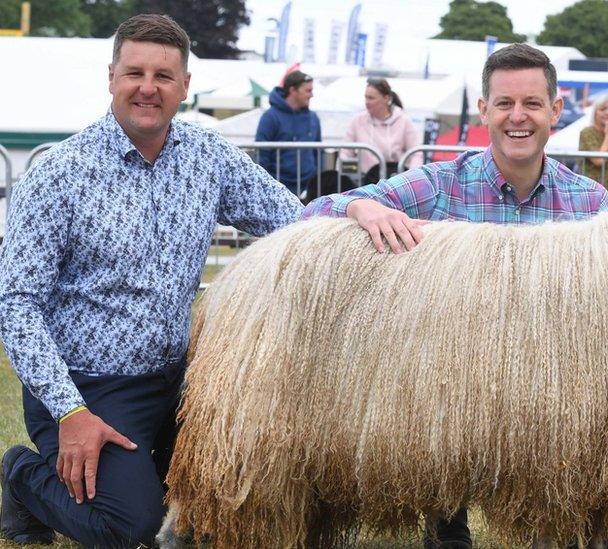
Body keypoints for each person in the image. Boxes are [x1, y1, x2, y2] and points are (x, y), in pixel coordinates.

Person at [0, 14, 302, 548]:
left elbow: (294, 218)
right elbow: (16, 305)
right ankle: (21, 475)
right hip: (87, 388)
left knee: (232, 506)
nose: (147, 87)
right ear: (111, 77)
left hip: (177, 381)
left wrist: (365, 211)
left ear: (185, 86)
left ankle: (138, 475)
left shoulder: (207, 157)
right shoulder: (59, 173)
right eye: (134, 72)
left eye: (164, 76)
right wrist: (69, 412)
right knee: (130, 527)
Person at [304, 43, 608, 546]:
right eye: (505, 104)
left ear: (556, 112)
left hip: (547, 383)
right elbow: (315, 211)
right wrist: (362, 209)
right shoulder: (441, 186)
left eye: (533, 104)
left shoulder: (591, 206)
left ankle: (570, 517)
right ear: (484, 111)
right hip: (449, 384)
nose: (519, 117)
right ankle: (445, 516)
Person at [256, 70, 324, 202]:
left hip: (308, 189)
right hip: (277, 189)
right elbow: (262, 155)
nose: (312, 95)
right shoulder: (270, 117)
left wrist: (317, 180)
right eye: (308, 91)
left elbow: (318, 152)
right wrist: (266, 187)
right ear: (293, 90)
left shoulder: (314, 118)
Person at [343, 77, 422, 185]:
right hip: (365, 182)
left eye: (371, 98)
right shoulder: (357, 120)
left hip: (396, 182)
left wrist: (412, 179)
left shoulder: (404, 121)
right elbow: (345, 152)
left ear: (386, 98)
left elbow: (416, 153)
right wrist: (348, 180)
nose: (367, 102)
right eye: (365, 97)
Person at [577, 95, 608, 199]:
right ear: (595, 112)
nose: (607, 112)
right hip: (593, 195)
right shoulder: (587, 133)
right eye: (603, 109)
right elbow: (599, 160)